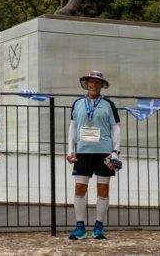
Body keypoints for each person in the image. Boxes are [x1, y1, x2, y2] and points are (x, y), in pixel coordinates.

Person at [66, 70, 121, 241]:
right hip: (83, 151)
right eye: (91, 82)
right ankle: (80, 226)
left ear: (101, 86)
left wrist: (115, 152)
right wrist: (70, 149)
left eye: (97, 82)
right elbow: (73, 127)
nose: (94, 85)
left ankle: (99, 226)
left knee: (103, 189)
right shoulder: (77, 103)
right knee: (80, 188)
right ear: (86, 84)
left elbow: (116, 128)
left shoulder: (109, 104)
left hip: (104, 151)